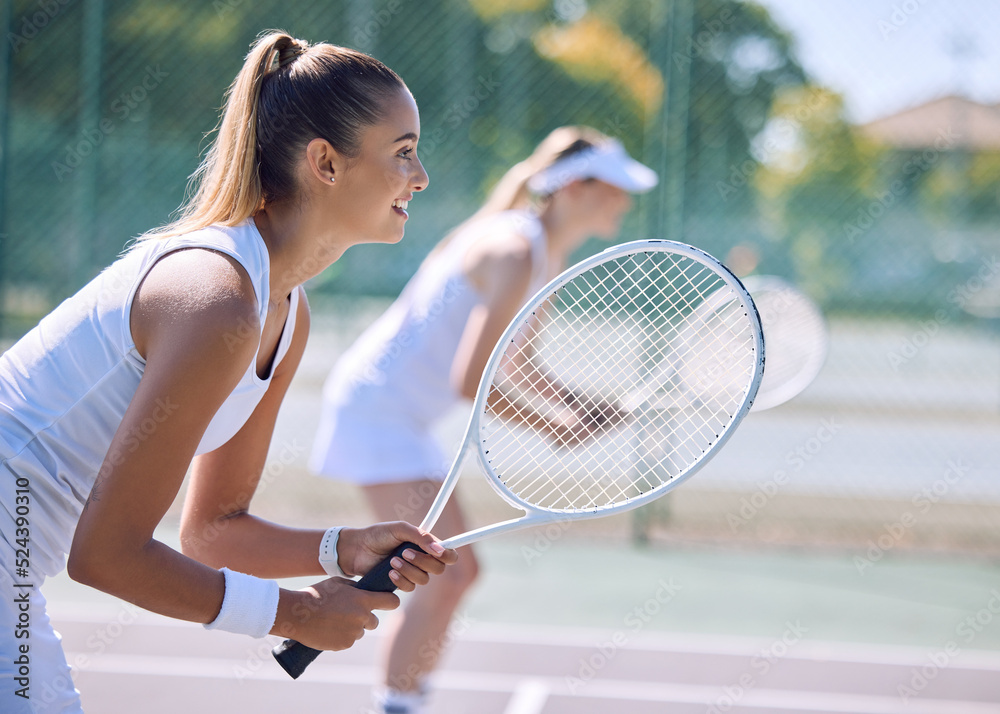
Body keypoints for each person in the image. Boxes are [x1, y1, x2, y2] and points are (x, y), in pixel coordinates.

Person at [0, 31, 458, 713]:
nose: (420, 176)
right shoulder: (218, 304)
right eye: (402, 153)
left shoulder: (283, 311)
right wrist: (297, 617)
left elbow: (212, 530)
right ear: (326, 164)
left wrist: (343, 549)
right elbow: (107, 555)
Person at [310, 126, 657, 714]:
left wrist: (581, 404)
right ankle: (395, 701)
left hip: (399, 417)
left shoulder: (543, 254)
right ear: (572, 188)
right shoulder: (516, 250)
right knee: (448, 573)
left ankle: (401, 698)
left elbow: (518, 366)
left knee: (449, 573)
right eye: (613, 187)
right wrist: (552, 427)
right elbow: (471, 382)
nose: (624, 200)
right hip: (377, 411)